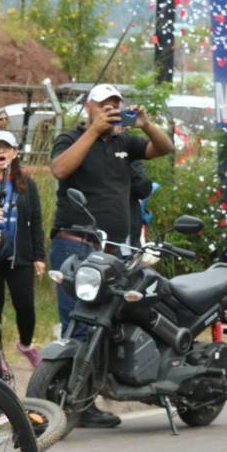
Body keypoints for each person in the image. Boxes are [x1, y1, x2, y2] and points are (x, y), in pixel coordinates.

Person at [49, 83, 173, 427]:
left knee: (106, 324)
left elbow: (164, 148)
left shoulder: (124, 142)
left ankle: (88, 396)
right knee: (78, 322)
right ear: (89, 107)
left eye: (116, 104)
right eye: (104, 104)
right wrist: (92, 132)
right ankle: (75, 403)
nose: (111, 109)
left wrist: (146, 124)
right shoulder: (71, 137)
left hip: (114, 250)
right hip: (76, 243)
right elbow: (59, 170)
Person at [0, 130, 46, 369]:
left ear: (15, 153)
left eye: (6, 148)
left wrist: (38, 256)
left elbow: (36, 220)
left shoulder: (27, 185)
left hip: (18, 256)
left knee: (25, 305)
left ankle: (25, 344)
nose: (1, 152)